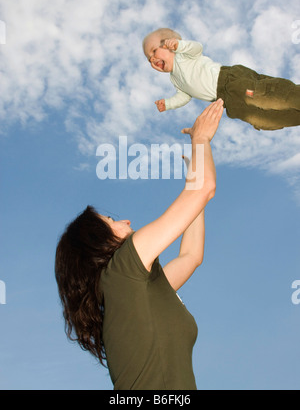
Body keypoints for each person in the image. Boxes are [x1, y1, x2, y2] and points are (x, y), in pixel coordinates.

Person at [55, 98, 224, 390]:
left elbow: (191, 255)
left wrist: (194, 187)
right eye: (112, 221)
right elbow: (205, 189)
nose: (127, 221)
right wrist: (201, 139)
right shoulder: (120, 271)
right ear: (98, 241)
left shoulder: (135, 289)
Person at [142, 27, 300, 131]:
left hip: (230, 82)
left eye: (154, 51)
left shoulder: (183, 54)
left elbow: (197, 48)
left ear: (169, 45)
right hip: (228, 102)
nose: (152, 59)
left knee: (265, 97)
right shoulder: (174, 79)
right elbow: (183, 96)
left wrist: (180, 45)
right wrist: (168, 103)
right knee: (260, 120)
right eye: (149, 59)